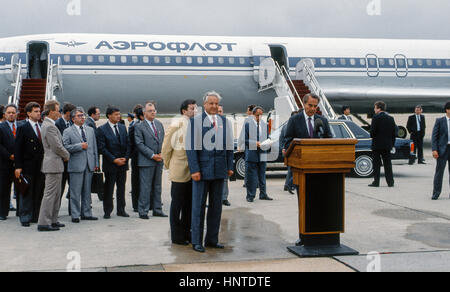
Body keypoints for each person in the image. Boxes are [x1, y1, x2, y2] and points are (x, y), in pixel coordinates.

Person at [186, 91, 234, 253]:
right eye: (211, 103)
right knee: (198, 207)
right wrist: (194, 170)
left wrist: (229, 166)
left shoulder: (224, 121)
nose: (214, 106)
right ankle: (196, 241)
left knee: (216, 207)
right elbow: (191, 148)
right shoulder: (195, 122)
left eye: (216, 104)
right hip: (202, 171)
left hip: (219, 171)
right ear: (204, 105)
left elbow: (229, 146)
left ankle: (212, 239)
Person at [284, 94, 332, 246]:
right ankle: (304, 236)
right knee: (304, 205)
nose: (312, 109)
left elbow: (329, 139)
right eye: (310, 105)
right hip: (301, 171)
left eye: (315, 106)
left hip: (320, 170)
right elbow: (287, 140)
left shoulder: (322, 120)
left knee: (320, 204)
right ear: (303, 104)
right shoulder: (294, 120)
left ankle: (321, 235)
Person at [162, 99, 197, 245]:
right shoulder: (177, 123)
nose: (194, 111)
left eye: (195, 108)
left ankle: (186, 232)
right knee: (177, 205)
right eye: (191, 109)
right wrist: (169, 164)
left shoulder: (195, 124)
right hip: (179, 170)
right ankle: (177, 236)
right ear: (184, 111)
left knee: (189, 204)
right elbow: (166, 146)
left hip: (192, 171)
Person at [37, 100, 70, 232]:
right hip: (53, 164)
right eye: (57, 110)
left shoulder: (50, 124)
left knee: (56, 194)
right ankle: (44, 222)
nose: (59, 112)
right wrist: (67, 155)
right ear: (51, 111)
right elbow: (56, 146)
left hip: (55, 164)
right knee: (50, 194)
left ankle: (53, 219)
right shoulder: (49, 126)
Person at [63, 107, 99, 222]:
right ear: (73, 119)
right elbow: (65, 147)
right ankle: (75, 214)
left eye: (83, 115)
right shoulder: (67, 131)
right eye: (79, 116)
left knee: (87, 191)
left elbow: (94, 148)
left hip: (89, 165)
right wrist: (79, 146)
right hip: (76, 166)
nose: (82, 117)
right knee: (75, 192)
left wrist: (96, 163)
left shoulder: (90, 130)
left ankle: (87, 213)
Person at [97, 106, 130, 219]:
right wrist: (114, 159)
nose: (118, 116)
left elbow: (127, 144)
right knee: (109, 188)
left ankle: (121, 209)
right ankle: (107, 210)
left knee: (121, 188)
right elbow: (102, 148)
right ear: (109, 116)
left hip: (123, 164)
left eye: (119, 114)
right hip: (110, 164)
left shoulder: (122, 127)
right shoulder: (102, 129)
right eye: (116, 114)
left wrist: (125, 158)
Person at [15, 102, 45, 227]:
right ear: (28, 113)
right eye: (36, 111)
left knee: (39, 192)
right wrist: (18, 166)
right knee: (26, 192)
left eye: (39, 111)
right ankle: (25, 217)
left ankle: (35, 215)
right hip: (27, 166)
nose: (39, 113)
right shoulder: (23, 127)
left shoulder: (42, 126)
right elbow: (18, 149)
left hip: (41, 166)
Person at [134, 102, 166, 219]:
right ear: (144, 113)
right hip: (147, 161)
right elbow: (139, 144)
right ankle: (143, 211)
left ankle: (157, 209)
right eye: (150, 111)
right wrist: (152, 155)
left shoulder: (159, 124)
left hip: (159, 160)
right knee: (145, 187)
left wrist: (162, 153)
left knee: (157, 186)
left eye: (154, 110)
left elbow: (163, 140)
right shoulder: (139, 126)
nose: (153, 112)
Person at [245, 106, 273, 202]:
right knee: (251, 177)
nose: (259, 117)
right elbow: (244, 140)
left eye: (261, 115)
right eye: (258, 115)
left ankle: (263, 194)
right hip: (252, 155)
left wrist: (269, 142)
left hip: (262, 154)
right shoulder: (247, 125)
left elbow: (267, 137)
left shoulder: (265, 125)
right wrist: (254, 143)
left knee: (262, 175)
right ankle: (250, 195)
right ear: (253, 115)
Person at [368, 101, 397, 188]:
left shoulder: (375, 118)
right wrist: (392, 144)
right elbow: (394, 133)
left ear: (379, 108)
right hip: (387, 145)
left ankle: (376, 182)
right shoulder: (391, 118)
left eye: (375, 108)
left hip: (377, 145)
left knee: (376, 165)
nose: (374, 110)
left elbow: (372, 133)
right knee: (388, 164)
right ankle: (390, 182)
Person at [55, 103, 76, 212]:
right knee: (60, 188)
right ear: (67, 113)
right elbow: (58, 143)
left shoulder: (73, 123)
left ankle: (72, 210)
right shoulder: (57, 124)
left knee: (73, 187)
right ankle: (55, 211)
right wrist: (64, 155)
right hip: (61, 161)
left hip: (72, 161)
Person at [0, 104, 18, 220]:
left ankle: (22, 211)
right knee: (4, 189)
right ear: (5, 115)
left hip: (19, 163)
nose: (11, 114)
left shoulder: (21, 126)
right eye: (9, 113)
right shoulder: (1, 127)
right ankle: (2, 212)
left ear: (17, 113)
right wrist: (9, 155)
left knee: (21, 188)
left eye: (13, 112)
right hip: (5, 163)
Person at [431, 102, 450, 200]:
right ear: (447, 110)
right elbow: (434, 137)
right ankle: (436, 193)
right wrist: (434, 149)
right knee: (439, 172)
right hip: (442, 150)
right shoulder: (440, 121)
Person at [129, 105, 144, 212]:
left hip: (144, 157)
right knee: (136, 181)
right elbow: (131, 142)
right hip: (137, 157)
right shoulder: (134, 126)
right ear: (142, 116)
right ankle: (136, 205)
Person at [280, 111, 298, 195]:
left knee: (290, 169)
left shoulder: (285, 126)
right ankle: (289, 185)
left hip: (288, 150)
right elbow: (284, 139)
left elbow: (281, 139)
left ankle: (288, 185)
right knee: (292, 169)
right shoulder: (289, 126)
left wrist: (282, 148)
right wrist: (284, 148)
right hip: (290, 150)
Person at [218, 105, 231, 206]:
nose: (219, 113)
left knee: (225, 179)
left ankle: (224, 198)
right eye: (217, 111)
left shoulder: (226, 124)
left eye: (220, 111)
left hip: (224, 156)